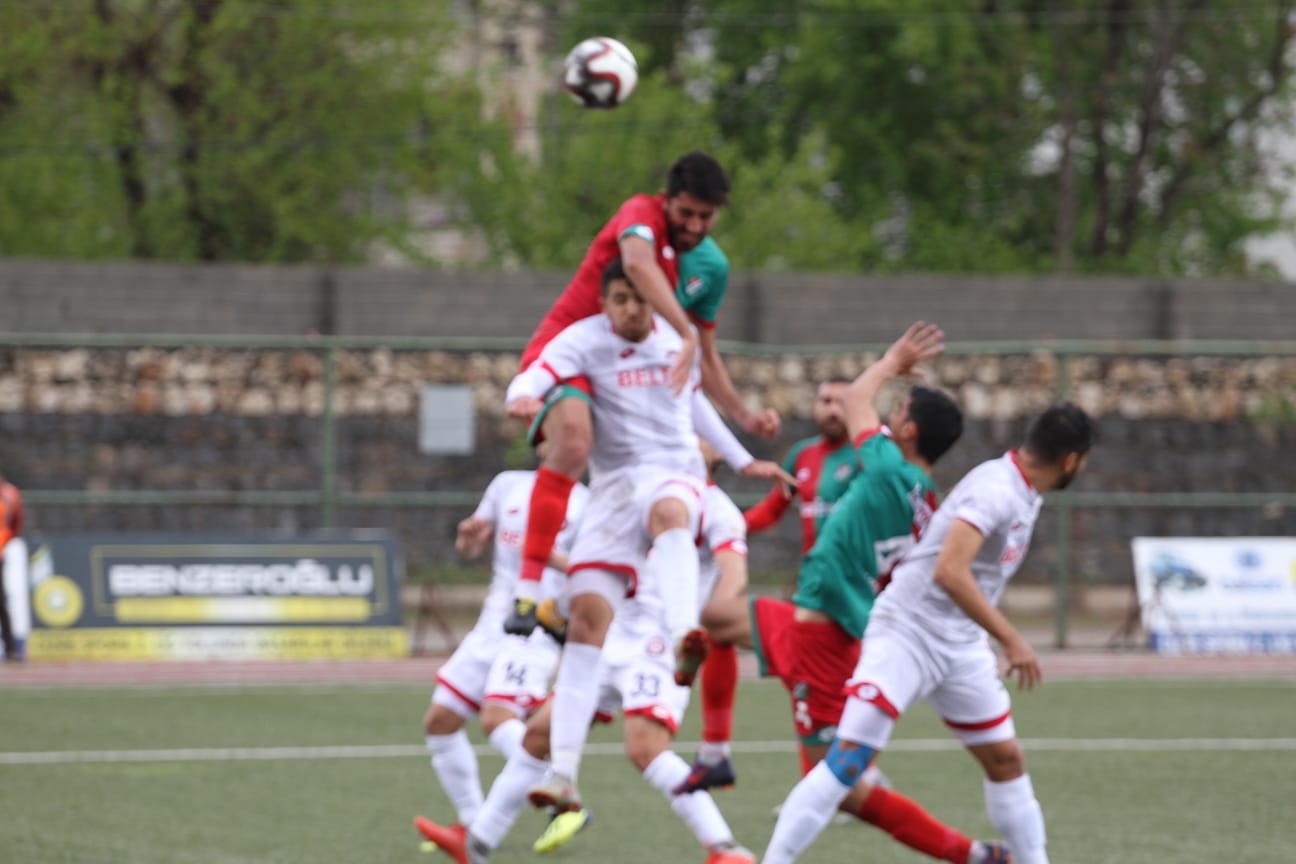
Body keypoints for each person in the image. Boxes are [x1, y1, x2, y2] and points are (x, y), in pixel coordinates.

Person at [687, 326, 1008, 864]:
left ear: (905, 429)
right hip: (809, 618)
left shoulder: (885, 469)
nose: (884, 414)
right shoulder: (925, 498)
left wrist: (890, 362)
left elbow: (858, 397)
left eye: (897, 409)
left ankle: (974, 856)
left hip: (825, 641)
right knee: (709, 620)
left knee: (848, 793)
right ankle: (715, 749)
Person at [503, 258, 790, 818]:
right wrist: (523, 394)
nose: (634, 308)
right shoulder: (583, 340)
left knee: (670, 514)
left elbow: (696, 404)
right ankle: (563, 774)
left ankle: (687, 634)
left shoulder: (672, 340)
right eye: (621, 299)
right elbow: (538, 371)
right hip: (613, 488)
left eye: (642, 298)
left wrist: (740, 458)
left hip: (671, 468)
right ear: (605, 303)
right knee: (586, 620)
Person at [760, 402, 1098, 864]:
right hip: (907, 630)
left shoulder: (1025, 489)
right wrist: (1012, 639)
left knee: (1005, 760)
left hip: (958, 644)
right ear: (1072, 460)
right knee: (847, 761)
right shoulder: (995, 490)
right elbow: (950, 572)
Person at [415, 450, 757, 864]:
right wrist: (554, 576)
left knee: (644, 748)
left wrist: (709, 623)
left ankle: (724, 848)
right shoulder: (638, 492)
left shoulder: (717, 509)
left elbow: (733, 571)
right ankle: (477, 842)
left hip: (657, 646)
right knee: (539, 736)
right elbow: (599, 565)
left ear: (713, 451)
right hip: (608, 640)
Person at [504, 151, 780, 637]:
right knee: (573, 443)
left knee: (600, 605)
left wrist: (743, 416)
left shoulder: (709, 265)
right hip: (574, 352)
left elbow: (700, 363)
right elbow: (637, 261)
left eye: (706, 216)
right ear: (666, 201)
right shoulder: (640, 216)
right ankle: (526, 593)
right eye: (685, 213)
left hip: (641, 435)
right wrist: (524, 392)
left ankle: (655, 628)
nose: (694, 225)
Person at [417, 458, 589, 836]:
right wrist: (467, 538)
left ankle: (564, 797)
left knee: (497, 718)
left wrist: (548, 555)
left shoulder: (586, 501)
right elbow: (470, 548)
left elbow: (592, 573)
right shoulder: (507, 483)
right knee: (441, 723)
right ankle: (472, 822)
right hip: (492, 624)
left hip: (537, 627)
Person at [743, 376, 857, 556]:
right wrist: (731, 526)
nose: (833, 410)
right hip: (814, 570)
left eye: (842, 402)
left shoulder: (868, 452)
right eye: (826, 401)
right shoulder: (802, 454)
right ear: (815, 405)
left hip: (859, 572)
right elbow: (772, 509)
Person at [0, 473, 26, 662]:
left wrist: (6, 541)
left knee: (1, 602)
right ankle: (10, 650)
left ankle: (11, 649)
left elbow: (16, 524)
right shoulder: (11, 492)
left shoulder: (10, 493)